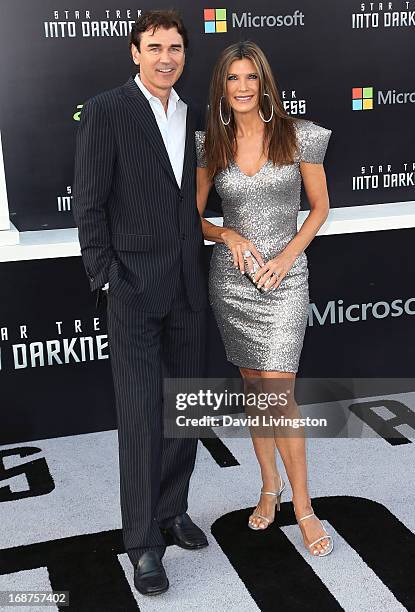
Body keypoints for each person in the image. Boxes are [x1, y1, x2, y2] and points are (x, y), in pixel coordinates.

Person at [72, 10, 209, 596]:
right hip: (129, 287)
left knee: (186, 405)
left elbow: (190, 203)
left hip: (186, 283)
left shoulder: (190, 113)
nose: (166, 58)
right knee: (139, 420)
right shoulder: (106, 110)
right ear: (134, 52)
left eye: (175, 47)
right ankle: (142, 544)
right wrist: (106, 278)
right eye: (154, 47)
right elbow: (89, 202)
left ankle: (172, 509)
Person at [196, 41, 333, 557]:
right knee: (254, 388)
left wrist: (287, 257)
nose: (243, 87)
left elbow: (319, 209)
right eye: (233, 78)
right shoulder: (211, 145)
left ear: (265, 82)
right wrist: (226, 235)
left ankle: (303, 507)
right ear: (222, 88)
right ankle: (268, 486)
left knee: (279, 394)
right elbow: (195, 217)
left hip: (284, 281)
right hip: (233, 284)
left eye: (251, 77)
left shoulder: (300, 136)